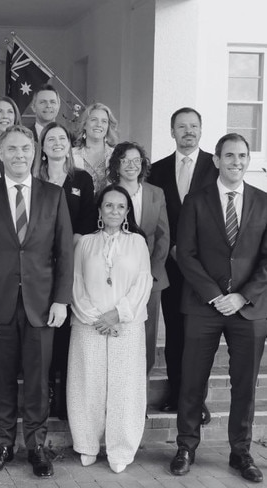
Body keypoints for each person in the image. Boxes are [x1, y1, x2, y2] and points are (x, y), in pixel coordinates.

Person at [0, 125, 73, 479]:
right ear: (0, 153)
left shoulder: (52, 195)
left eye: (25, 149)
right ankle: (2, 443)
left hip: (42, 303)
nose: (19, 155)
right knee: (2, 378)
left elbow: (64, 252)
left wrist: (62, 300)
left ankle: (36, 445)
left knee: (37, 378)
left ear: (36, 153)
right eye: (12, 149)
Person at [169, 133, 267, 484]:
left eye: (242, 156)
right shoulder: (196, 201)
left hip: (249, 309)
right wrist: (214, 294)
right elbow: (186, 254)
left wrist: (241, 296)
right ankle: (186, 447)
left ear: (248, 159)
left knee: (245, 385)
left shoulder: (264, 201)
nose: (236, 162)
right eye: (229, 156)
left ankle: (240, 451)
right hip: (202, 305)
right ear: (217, 160)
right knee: (192, 380)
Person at [67, 184, 152, 474]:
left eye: (120, 206)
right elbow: (75, 283)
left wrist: (117, 315)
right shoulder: (85, 243)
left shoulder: (137, 243)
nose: (114, 211)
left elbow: (143, 283)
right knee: (86, 383)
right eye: (108, 205)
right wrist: (96, 319)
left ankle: (120, 448)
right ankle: (87, 443)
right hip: (88, 324)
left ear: (127, 211)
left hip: (125, 326)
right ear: (100, 210)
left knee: (124, 388)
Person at [147, 107, 217, 417]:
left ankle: (196, 401)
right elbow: (160, 217)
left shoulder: (215, 167)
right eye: (181, 126)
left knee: (199, 336)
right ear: (171, 131)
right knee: (175, 332)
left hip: (204, 269)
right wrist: (172, 248)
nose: (187, 131)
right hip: (172, 266)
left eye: (193, 126)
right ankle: (176, 395)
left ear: (201, 131)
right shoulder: (158, 170)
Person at [32, 121, 95, 419]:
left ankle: (64, 398)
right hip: (38, 265)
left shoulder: (81, 179)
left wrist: (66, 248)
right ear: (42, 147)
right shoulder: (33, 179)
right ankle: (45, 394)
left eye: (62, 139)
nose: (57, 143)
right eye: (50, 139)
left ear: (69, 145)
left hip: (71, 263)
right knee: (42, 329)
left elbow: (86, 222)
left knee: (65, 332)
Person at [107, 142, 169, 376]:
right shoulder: (108, 193)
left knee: (147, 333)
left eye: (136, 160)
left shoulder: (156, 193)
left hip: (151, 278)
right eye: (125, 160)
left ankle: (140, 393)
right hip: (116, 277)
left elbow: (163, 236)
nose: (131, 165)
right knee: (120, 330)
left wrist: (150, 274)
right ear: (117, 165)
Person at [72, 102, 118, 194]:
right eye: (94, 120)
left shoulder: (116, 155)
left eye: (104, 121)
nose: (99, 124)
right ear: (84, 124)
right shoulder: (71, 155)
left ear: (108, 127)